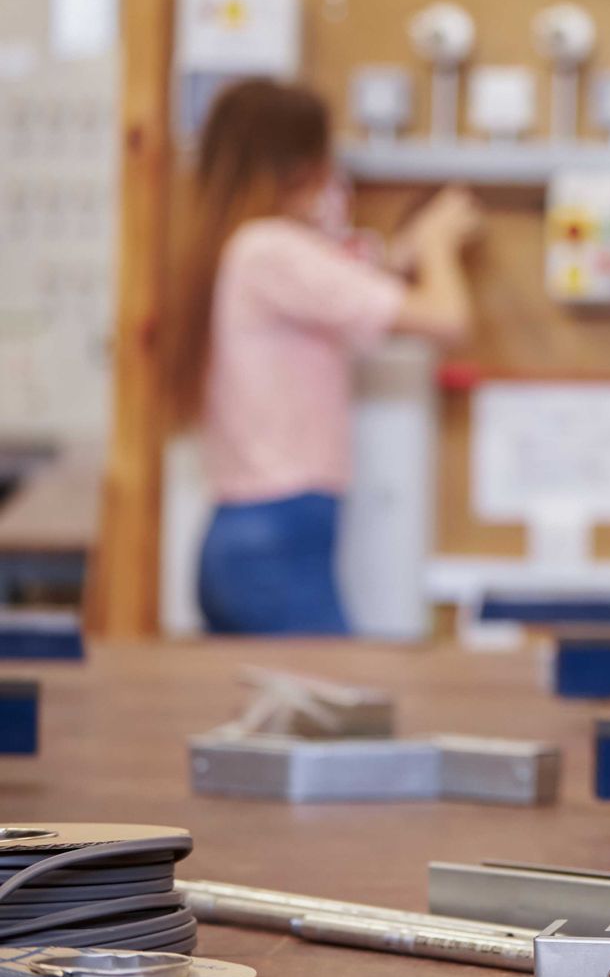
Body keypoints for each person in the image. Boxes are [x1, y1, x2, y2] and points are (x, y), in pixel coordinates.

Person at [165, 78, 480, 634]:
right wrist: (440, 243)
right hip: (279, 540)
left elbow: (362, 283)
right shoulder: (272, 249)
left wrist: (409, 250)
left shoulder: (242, 250)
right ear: (303, 165)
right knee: (342, 714)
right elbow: (446, 319)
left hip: (249, 535)